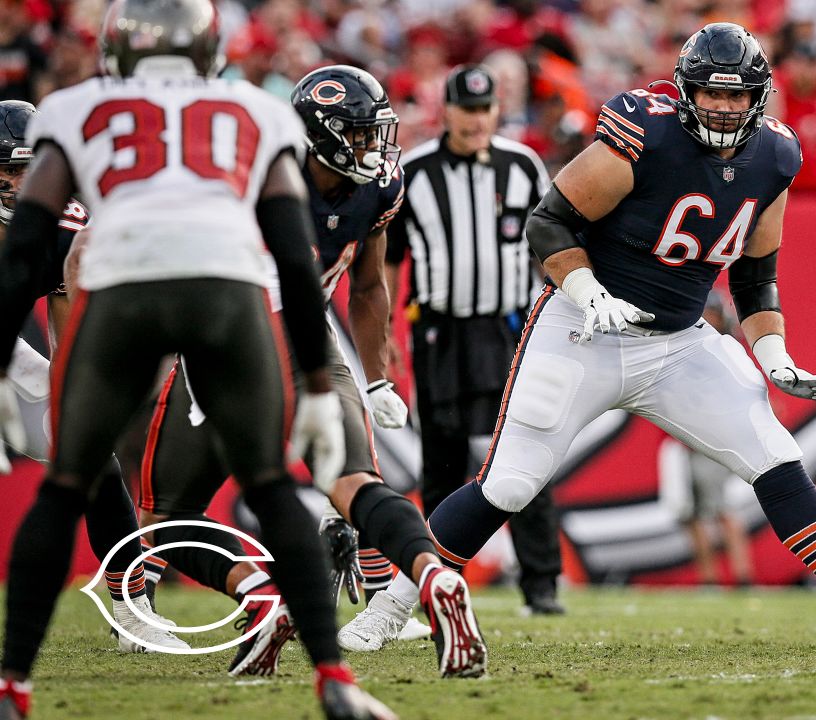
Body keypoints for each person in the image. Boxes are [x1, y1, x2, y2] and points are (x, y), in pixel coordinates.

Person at [424, 22, 816, 653]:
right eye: (711, 94)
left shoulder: (775, 155)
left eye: (737, 95)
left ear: (758, 96)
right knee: (508, 483)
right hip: (584, 329)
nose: (724, 108)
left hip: (675, 343)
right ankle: (395, 603)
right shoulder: (646, 133)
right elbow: (549, 224)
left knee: (777, 459)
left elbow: (755, 276)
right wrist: (590, 294)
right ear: (685, 90)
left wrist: (774, 355)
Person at [0, 1, 394, 717]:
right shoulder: (259, 111)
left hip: (124, 293)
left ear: (116, 49)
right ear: (210, 47)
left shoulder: (72, 110)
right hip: (229, 298)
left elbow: (27, 244)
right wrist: (313, 378)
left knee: (66, 486)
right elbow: (293, 258)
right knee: (273, 487)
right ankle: (334, 680)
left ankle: (12, 687)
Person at [131, 65, 486, 679]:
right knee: (352, 484)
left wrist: (377, 378)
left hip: (232, 338)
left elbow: (370, 283)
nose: (375, 150)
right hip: (295, 340)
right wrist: (367, 376)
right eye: (359, 136)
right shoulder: (262, 173)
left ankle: (262, 595)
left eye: (377, 135)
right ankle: (431, 576)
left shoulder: (324, 179)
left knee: (165, 517)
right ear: (318, 135)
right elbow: (366, 285)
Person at [0, 99, 186, 654]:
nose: (27, 183)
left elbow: (70, 335)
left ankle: (132, 609)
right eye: (12, 170)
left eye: (36, 169)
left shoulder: (61, 230)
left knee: (89, 453)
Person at [385, 63, 565, 618]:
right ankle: (440, 579)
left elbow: (551, 241)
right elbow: (390, 259)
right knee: (440, 458)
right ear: (448, 111)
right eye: (467, 108)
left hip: (509, 324)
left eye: (485, 109)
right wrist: (388, 330)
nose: (477, 120)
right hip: (439, 326)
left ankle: (541, 585)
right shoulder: (413, 171)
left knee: (527, 450)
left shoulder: (522, 165)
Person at [657, 291, 752, 587]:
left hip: (716, 442)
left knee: (721, 509)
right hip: (688, 442)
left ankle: (742, 575)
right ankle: (708, 577)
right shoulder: (683, 345)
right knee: (691, 514)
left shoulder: (724, 348)